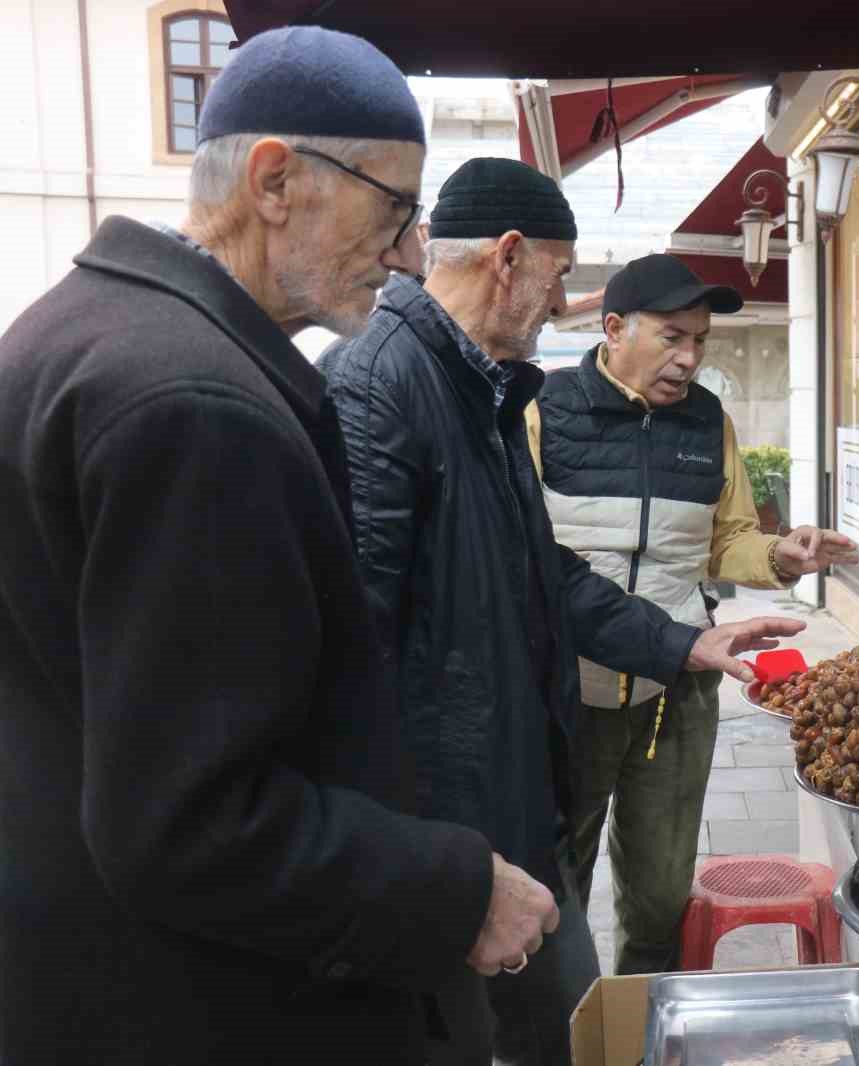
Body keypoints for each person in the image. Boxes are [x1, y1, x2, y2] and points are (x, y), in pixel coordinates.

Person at [0, 27, 559, 1066]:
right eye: (393, 210)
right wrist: (455, 891)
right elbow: (193, 823)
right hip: (198, 1004)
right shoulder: (194, 402)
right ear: (273, 182)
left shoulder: (76, 330)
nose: (406, 254)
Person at [320, 164, 804, 1065]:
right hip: (461, 815)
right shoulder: (383, 387)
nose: (560, 300)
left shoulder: (487, 393)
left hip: (519, 775)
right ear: (508, 258)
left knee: (568, 1003)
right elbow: (358, 658)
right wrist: (440, 865)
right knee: (516, 1015)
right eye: (559, 273)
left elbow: (543, 573)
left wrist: (685, 642)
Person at [527, 254, 859, 975]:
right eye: (672, 336)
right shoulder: (543, 409)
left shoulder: (709, 421)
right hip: (563, 690)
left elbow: (726, 538)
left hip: (675, 690)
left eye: (701, 340)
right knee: (553, 892)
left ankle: (644, 1017)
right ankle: (563, 1025)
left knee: (659, 897)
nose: (689, 358)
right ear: (614, 329)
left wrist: (780, 554)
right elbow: (524, 558)